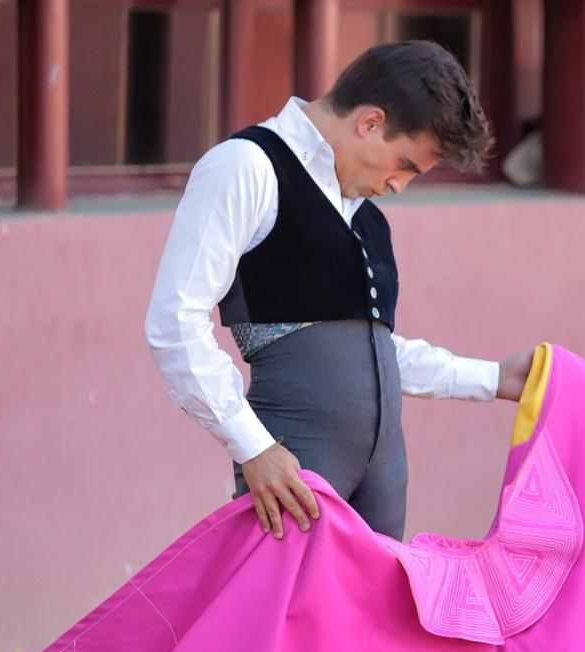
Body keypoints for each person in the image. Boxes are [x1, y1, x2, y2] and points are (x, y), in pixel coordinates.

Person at [145, 41, 533, 543]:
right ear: (370, 122)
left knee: (375, 622)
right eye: (405, 165)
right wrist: (252, 447)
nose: (398, 186)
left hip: (386, 471)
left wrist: (495, 379)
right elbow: (175, 320)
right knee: (287, 619)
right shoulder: (247, 166)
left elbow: (373, 352)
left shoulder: (367, 217)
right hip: (297, 467)